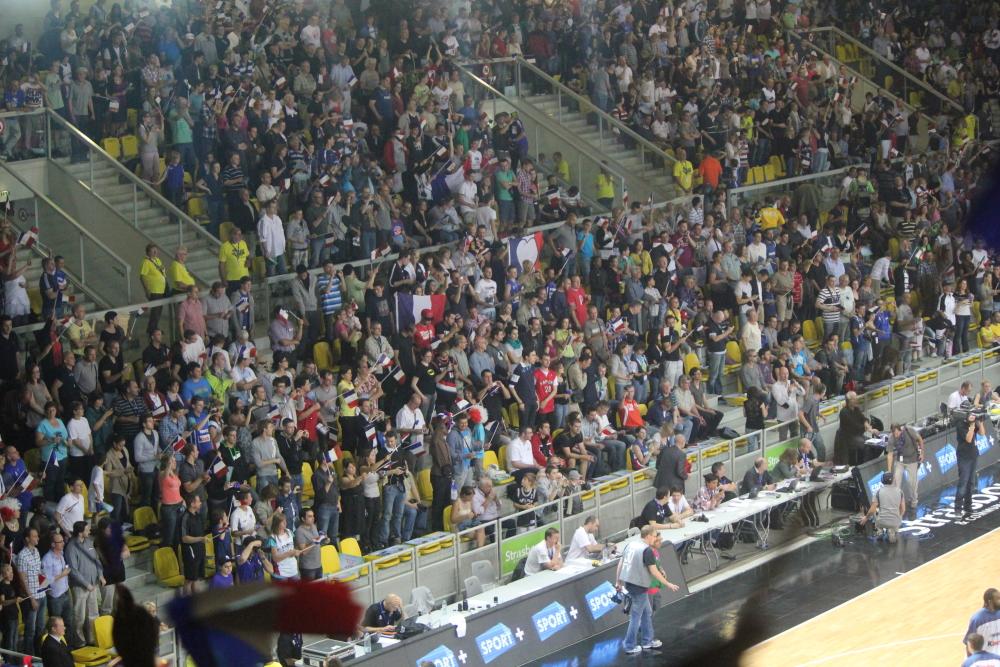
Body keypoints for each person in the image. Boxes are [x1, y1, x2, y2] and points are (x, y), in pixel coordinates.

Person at [616, 525, 680, 655]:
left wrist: (618, 581)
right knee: (635, 616)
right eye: (655, 535)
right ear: (649, 536)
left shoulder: (631, 545)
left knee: (647, 612)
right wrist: (668, 584)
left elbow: (621, 564)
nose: (656, 538)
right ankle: (629, 645)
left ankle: (647, 641)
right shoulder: (647, 550)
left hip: (630, 583)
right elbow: (654, 571)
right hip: (639, 586)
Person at [65, 521, 102, 646]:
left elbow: (96, 560)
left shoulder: (90, 542)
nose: (89, 532)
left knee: (94, 613)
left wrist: (100, 575)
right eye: (87, 530)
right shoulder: (71, 547)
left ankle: (92, 638)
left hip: (93, 583)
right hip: (80, 587)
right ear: (80, 532)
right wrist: (87, 585)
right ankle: (79, 640)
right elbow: (73, 571)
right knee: (79, 615)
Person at [885, 422, 925, 515]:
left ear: (900, 430)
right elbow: (890, 455)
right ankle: (896, 504)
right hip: (900, 461)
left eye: (897, 433)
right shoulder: (892, 438)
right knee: (896, 482)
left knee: (912, 483)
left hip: (912, 460)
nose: (896, 435)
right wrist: (889, 470)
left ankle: (914, 501)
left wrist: (922, 453)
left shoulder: (909, 430)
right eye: (894, 434)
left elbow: (920, 439)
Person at [859, 472, 904, 543]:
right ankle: (892, 530)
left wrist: (866, 517)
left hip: (881, 521)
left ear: (882, 481)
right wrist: (899, 517)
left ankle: (880, 531)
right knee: (897, 513)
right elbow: (903, 509)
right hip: (895, 522)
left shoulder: (878, 491)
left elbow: (872, 510)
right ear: (893, 480)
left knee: (874, 510)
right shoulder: (900, 491)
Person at [179, 495, 208, 595]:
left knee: (196, 579)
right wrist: (200, 539)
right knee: (189, 580)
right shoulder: (185, 517)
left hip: (199, 550)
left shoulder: (198, 515)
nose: (200, 503)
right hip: (190, 552)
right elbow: (184, 538)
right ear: (192, 504)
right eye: (198, 501)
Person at [957, 414, 985, 518]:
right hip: (963, 457)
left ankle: (968, 507)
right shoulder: (961, 425)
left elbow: (982, 433)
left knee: (971, 483)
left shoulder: (973, 423)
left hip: (973, 455)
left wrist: (980, 422)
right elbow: (968, 439)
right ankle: (958, 508)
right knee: (963, 483)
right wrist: (972, 425)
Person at [965, 589, 1000, 653]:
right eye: (998, 599)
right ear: (990, 602)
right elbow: (969, 642)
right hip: (986, 660)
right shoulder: (977, 619)